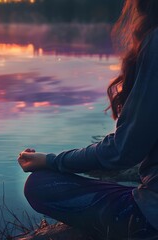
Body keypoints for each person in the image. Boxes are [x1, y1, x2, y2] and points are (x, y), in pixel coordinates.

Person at [18, 0, 158, 239]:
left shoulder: (156, 43)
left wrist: (50, 161)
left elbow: (123, 151)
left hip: (151, 217)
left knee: (41, 185)